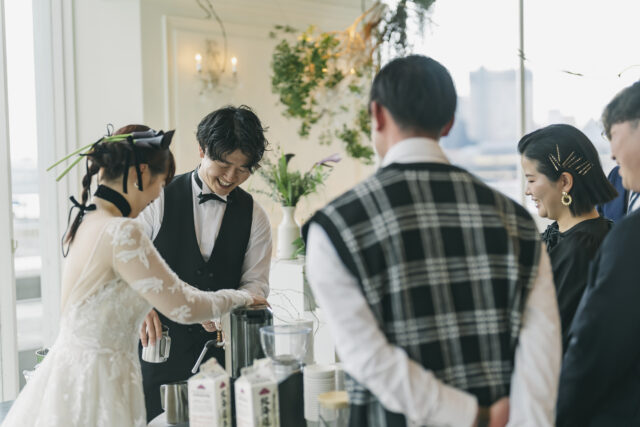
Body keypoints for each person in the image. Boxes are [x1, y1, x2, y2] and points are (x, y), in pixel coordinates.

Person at [304, 55, 561, 427]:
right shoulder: (516, 219)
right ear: (449, 122)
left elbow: (368, 358)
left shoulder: (334, 227)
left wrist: (472, 416)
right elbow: (542, 349)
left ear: (377, 114)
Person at [1, 125, 265, 427]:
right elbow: (184, 306)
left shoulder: (89, 220)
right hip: (101, 382)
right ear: (141, 173)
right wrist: (242, 298)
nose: (159, 194)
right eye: (161, 183)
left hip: (72, 374)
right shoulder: (122, 231)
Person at [136, 105, 272, 420]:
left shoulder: (256, 216)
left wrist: (225, 311)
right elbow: (122, 264)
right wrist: (139, 303)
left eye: (243, 169)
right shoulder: (158, 198)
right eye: (223, 164)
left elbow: (255, 285)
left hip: (222, 362)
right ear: (201, 150)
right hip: (158, 354)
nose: (231, 177)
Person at [557, 81, 640, 426]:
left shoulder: (630, 236)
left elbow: (596, 345)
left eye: (614, 135)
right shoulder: (617, 192)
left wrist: (556, 414)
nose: (612, 153)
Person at [518, 124, 616, 351]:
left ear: (564, 182)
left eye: (531, 180)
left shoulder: (579, 249)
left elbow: (550, 338)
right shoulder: (577, 235)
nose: (527, 191)